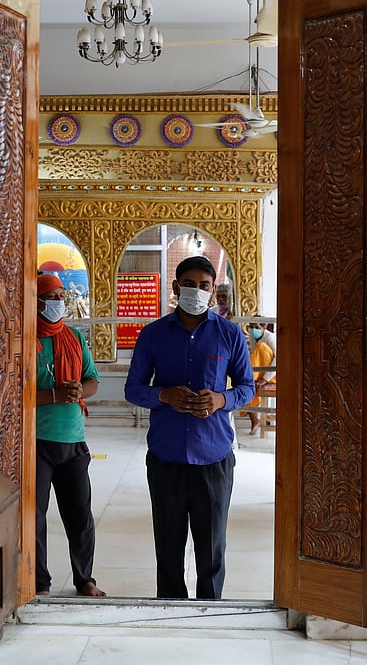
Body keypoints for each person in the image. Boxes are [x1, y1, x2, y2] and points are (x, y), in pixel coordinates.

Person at [124, 256, 255, 599]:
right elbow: (133, 389)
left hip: (213, 457)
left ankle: (210, 614)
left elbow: (247, 387)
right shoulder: (153, 335)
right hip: (166, 457)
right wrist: (163, 395)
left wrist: (220, 400)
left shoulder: (228, 334)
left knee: (211, 548)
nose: (196, 291)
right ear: (175, 287)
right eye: (189, 284)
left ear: (213, 293)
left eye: (204, 286)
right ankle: (170, 610)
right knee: (168, 545)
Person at [33, 272, 105, 598]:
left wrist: (78, 390)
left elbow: (91, 380)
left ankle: (85, 578)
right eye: (51, 296)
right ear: (35, 301)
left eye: (61, 296)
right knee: (34, 517)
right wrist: (53, 396)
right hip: (36, 441)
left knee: (80, 516)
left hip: (73, 441)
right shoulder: (25, 341)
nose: (58, 302)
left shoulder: (74, 338)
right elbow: (9, 392)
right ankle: (39, 583)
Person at [245, 323, 276, 435]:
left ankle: (249, 377)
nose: (254, 330)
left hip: (273, 374)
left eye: (257, 327)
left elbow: (279, 358)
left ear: (264, 327)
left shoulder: (270, 337)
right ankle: (255, 420)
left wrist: (265, 379)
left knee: (261, 346)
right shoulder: (253, 338)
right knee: (245, 386)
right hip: (260, 372)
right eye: (251, 327)